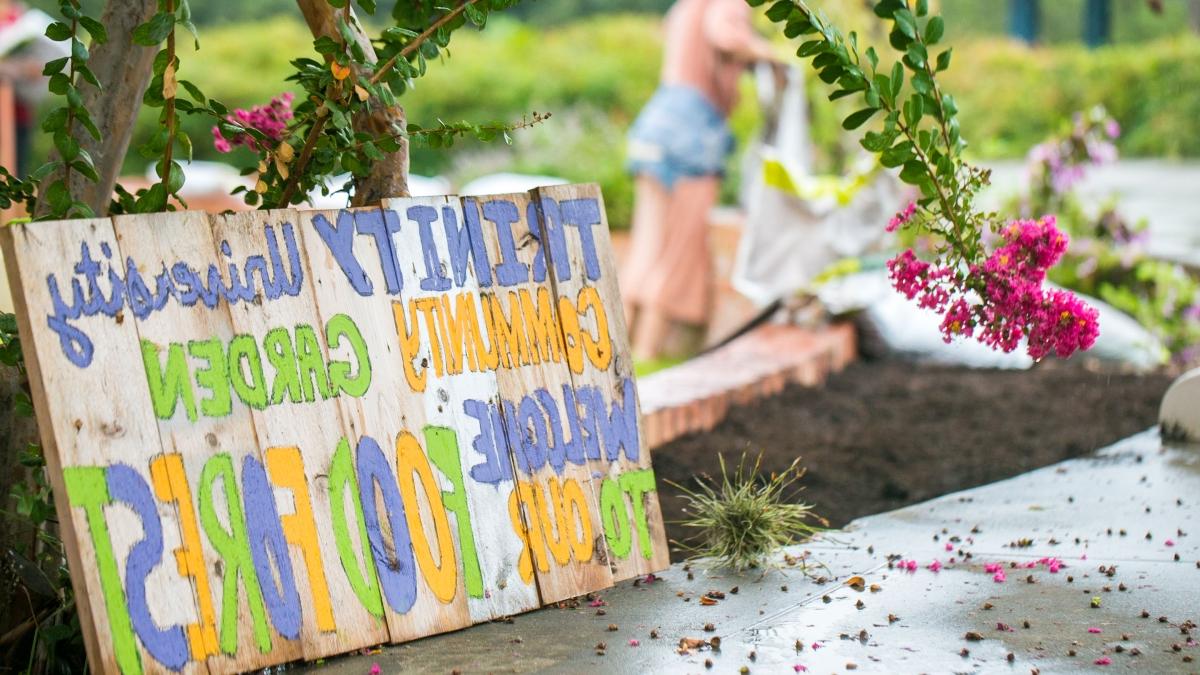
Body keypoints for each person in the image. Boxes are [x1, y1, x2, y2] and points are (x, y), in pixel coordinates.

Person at [620, 0, 776, 360]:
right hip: (690, 135)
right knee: (676, 256)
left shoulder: (686, 5)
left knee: (646, 250)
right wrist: (772, 55)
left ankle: (616, 356)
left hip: (656, 124)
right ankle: (645, 356)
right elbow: (726, 35)